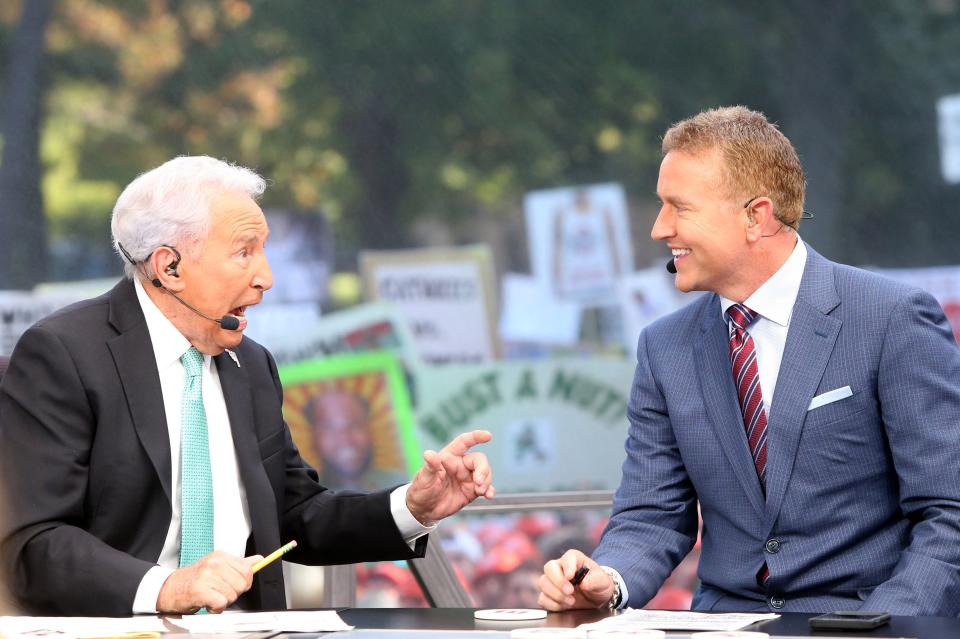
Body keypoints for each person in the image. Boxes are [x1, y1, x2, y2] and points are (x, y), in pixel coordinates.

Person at [0, 156, 496, 616]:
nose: (267, 278)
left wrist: (411, 507)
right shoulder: (63, 354)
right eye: (245, 252)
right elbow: (35, 541)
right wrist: (166, 587)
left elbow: (296, 512)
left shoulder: (251, 364)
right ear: (169, 266)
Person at [538, 106, 960, 615]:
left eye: (679, 207)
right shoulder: (663, 347)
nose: (658, 228)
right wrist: (606, 580)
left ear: (755, 216)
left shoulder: (890, 318)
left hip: (868, 622)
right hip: (721, 624)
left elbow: (949, 512)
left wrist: (879, 624)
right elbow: (651, 514)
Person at [306, 387, 402, 490]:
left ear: (369, 430)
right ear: (314, 439)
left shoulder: (403, 484)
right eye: (329, 429)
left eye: (354, 425)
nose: (344, 439)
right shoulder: (303, 497)